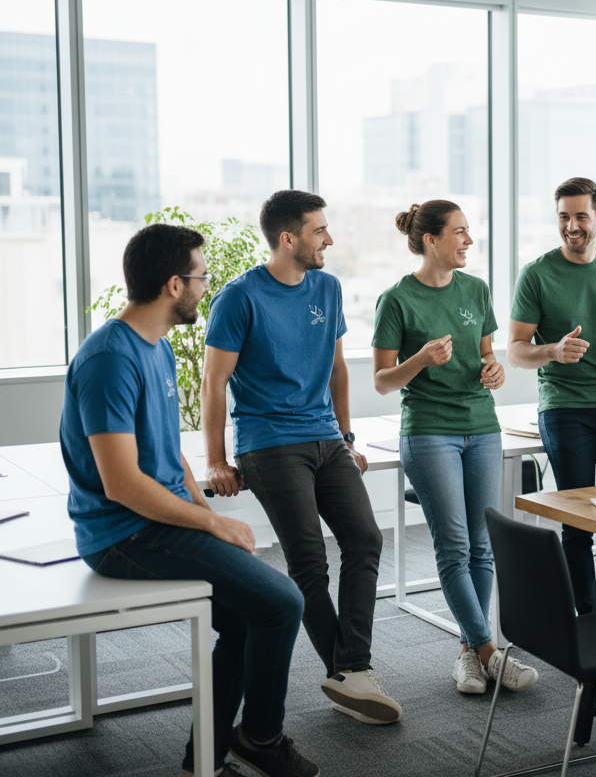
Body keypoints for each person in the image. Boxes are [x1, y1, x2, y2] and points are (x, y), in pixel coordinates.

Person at [61, 224, 317, 777]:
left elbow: (167, 452)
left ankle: (202, 761)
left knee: (252, 616)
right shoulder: (110, 358)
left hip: (157, 520)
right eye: (201, 277)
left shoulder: (155, 348)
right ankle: (261, 738)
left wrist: (205, 512)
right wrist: (211, 527)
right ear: (174, 284)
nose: (207, 287)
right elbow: (122, 484)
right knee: (283, 603)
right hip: (121, 533)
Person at [202, 189, 399, 725]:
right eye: (319, 231)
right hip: (267, 441)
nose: (329, 239)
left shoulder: (327, 287)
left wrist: (348, 438)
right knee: (308, 558)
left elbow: (337, 370)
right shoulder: (239, 297)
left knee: (365, 538)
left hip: (325, 437)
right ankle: (353, 671)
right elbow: (214, 382)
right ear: (288, 238)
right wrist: (217, 460)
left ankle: (349, 671)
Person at [372, 200, 538, 696]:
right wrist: (420, 359)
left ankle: (467, 652)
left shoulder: (476, 289)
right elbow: (382, 381)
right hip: (428, 431)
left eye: (469, 233)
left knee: (483, 546)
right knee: (455, 546)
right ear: (431, 240)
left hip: (482, 426)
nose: (469, 241)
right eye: (460, 233)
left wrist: (495, 369)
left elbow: (487, 353)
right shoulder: (396, 299)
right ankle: (490, 652)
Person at [508, 176, 596, 617]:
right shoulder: (536, 274)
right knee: (578, 520)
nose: (571, 226)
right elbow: (515, 351)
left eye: (580, 216)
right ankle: (587, 619)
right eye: (564, 217)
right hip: (565, 406)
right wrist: (553, 350)